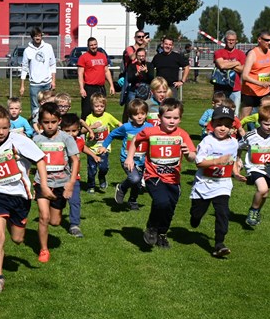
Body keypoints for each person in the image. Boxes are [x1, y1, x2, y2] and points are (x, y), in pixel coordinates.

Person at [0, 105, 50, 292]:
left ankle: (11, 221)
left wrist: (45, 186)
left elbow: (40, 159)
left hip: (20, 197)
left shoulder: (20, 141)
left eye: (5, 128)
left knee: (17, 238)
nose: (1, 132)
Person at [125, 98, 196, 248]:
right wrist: (130, 158)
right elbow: (136, 140)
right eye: (168, 117)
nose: (171, 121)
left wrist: (188, 153)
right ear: (159, 118)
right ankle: (151, 227)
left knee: (169, 208)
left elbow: (192, 158)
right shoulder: (151, 131)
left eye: (175, 118)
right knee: (161, 201)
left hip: (173, 179)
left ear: (180, 119)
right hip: (153, 176)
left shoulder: (182, 135)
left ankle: (162, 234)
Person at [190, 105, 245, 257]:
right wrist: (217, 160)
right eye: (219, 124)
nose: (222, 128)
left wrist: (235, 173)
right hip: (204, 183)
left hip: (222, 184)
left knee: (223, 212)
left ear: (232, 127)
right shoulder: (207, 141)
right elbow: (199, 163)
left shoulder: (233, 143)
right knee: (196, 214)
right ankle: (195, 218)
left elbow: (232, 160)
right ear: (212, 124)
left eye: (227, 125)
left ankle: (219, 243)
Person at [32, 102, 79, 263]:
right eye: (46, 122)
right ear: (40, 123)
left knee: (55, 221)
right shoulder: (36, 139)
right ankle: (43, 249)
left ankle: (55, 210)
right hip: (42, 182)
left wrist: (71, 183)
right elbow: (30, 160)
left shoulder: (66, 138)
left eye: (53, 122)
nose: (50, 126)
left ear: (59, 121)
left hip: (61, 184)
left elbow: (75, 160)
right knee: (44, 217)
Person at [239, 103, 270, 227]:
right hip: (254, 167)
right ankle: (253, 211)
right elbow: (238, 146)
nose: (269, 127)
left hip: (269, 169)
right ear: (259, 122)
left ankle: (257, 211)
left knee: (265, 194)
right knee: (262, 189)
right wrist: (238, 159)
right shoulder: (251, 136)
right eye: (266, 124)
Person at [102, 98, 154, 211]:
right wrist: (104, 146)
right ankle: (122, 187)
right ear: (130, 115)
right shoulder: (126, 127)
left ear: (146, 114)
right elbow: (111, 134)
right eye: (136, 114)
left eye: (142, 114)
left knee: (138, 182)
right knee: (134, 178)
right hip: (127, 159)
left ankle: (132, 200)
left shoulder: (150, 128)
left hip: (142, 160)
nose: (139, 117)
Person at [60, 113, 98, 238]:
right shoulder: (58, 141)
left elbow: (83, 148)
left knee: (75, 201)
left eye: (74, 131)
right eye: (67, 131)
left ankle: (74, 225)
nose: (71, 134)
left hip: (74, 177)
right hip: (58, 176)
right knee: (58, 201)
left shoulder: (79, 141)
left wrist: (93, 155)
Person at [83, 93, 121, 193]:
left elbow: (118, 123)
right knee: (92, 170)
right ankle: (91, 185)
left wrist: (125, 128)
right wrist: (92, 127)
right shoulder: (89, 117)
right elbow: (82, 130)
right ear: (92, 106)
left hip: (104, 148)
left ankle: (102, 177)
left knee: (103, 167)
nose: (99, 108)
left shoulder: (107, 116)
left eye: (102, 106)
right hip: (92, 148)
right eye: (97, 106)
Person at [20, 27, 57, 116]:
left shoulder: (48, 47)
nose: (38, 38)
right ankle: (35, 127)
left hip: (47, 83)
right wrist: (22, 86)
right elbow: (24, 68)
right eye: (36, 36)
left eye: (39, 36)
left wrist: (53, 81)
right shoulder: (27, 51)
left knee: (48, 107)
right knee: (35, 108)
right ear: (32, 37)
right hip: (34, 84)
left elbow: (52, 64)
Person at [240, 31, 270, 119]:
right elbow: (244, 76)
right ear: (259, 39)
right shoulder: (252, 54)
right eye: (266, 40)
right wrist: (260, 83)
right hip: (250, 92)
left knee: (268, 117)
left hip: (265, 91)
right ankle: (236, 132)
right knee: (244, 119)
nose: (269, 42)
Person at [77, 37, 114, 119]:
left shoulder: (102, 56)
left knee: (101, 110)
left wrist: (111, 85)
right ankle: (84, 130)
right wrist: (81, 88)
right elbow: (80, 73)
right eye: (91, 45)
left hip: (101, 88)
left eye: (95, 44)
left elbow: (106, 71)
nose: (93, 46)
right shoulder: (83, 57)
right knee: (86, 111)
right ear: (88, 46)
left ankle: (101, 130)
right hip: (89, 88)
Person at [213, 30, 246, 109]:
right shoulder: (218, 52)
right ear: (225, 40)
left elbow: (242, 69)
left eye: (233, 40)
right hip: (220, 88)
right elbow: (221, 65)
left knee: (235, 114)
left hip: (235, 89)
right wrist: (237, 62)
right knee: (218, 112)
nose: (231, 42)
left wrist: (227, 63)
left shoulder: (240, 54)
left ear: (236, 41)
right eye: (229, 40)